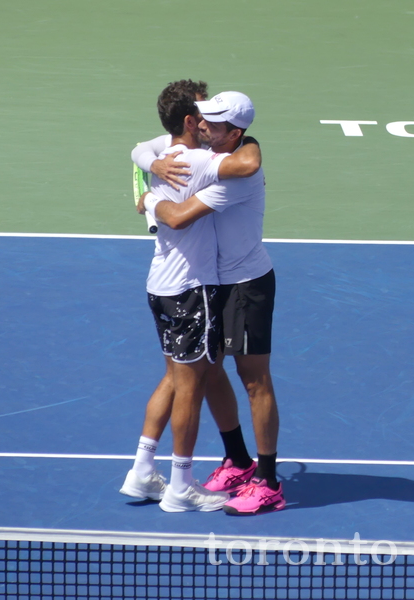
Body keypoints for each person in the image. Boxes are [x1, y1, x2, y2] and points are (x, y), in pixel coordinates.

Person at [132, 91, 285, 516]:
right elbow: (143, 147)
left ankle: (268, 481)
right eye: (201, 120)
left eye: (213, 123)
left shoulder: (238, 174)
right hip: (210, 283)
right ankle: (237, 460)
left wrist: (148, 200)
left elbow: (180, 216)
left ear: (234, 132)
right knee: (211, 370)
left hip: (247, 284)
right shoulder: (204, 151)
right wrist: (150, 161)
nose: (202, 126)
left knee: (254, 380)